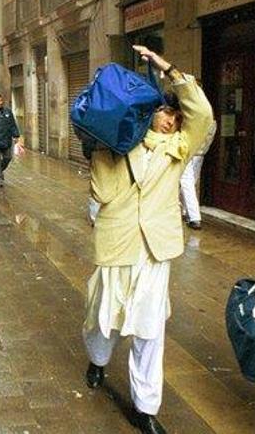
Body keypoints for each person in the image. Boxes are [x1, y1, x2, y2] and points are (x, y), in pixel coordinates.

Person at [84, 45, 213, 434]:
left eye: (175, 114)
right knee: (104, 320)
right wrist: (107, 148)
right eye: (163, 111)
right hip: (117, 244)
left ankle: (145, 408)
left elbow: (203, 115)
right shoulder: (118, 144)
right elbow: (102, 194)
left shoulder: (180, 148)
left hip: (156, 250)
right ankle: (98, 360)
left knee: (149, 327)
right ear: (146, 112)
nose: (171, 121)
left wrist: (168, 68)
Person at [179, 119, 216, 229]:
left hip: (189, 153)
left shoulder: (193, 119)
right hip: (200, 154)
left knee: (187, 183)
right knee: (190, 183)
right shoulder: (212, 123)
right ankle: (186, 211)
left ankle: (193, 216)